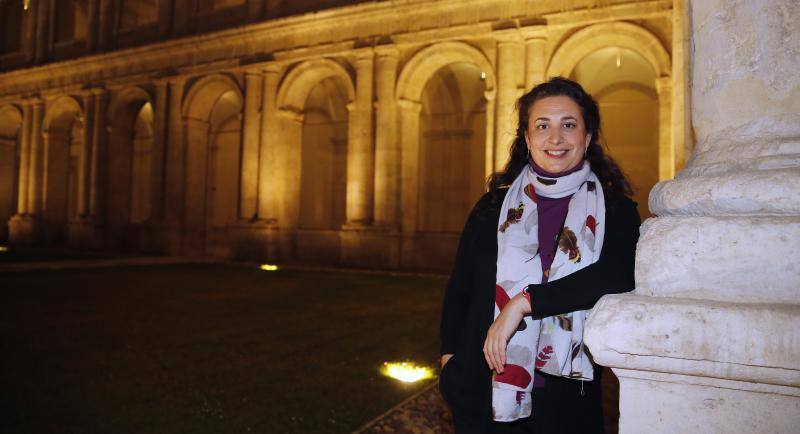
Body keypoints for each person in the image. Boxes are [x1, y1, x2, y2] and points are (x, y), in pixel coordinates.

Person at [438, 77, 640, 434]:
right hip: (482, 390)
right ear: (528, 138)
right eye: (542, 126)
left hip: (566, 400)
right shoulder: (493, 207)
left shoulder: (615, 210)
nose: (556, 138)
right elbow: (460, 291)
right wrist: (450, 363)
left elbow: (615, 277)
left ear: (588, 136)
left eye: (569, 125)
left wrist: (524, 302)